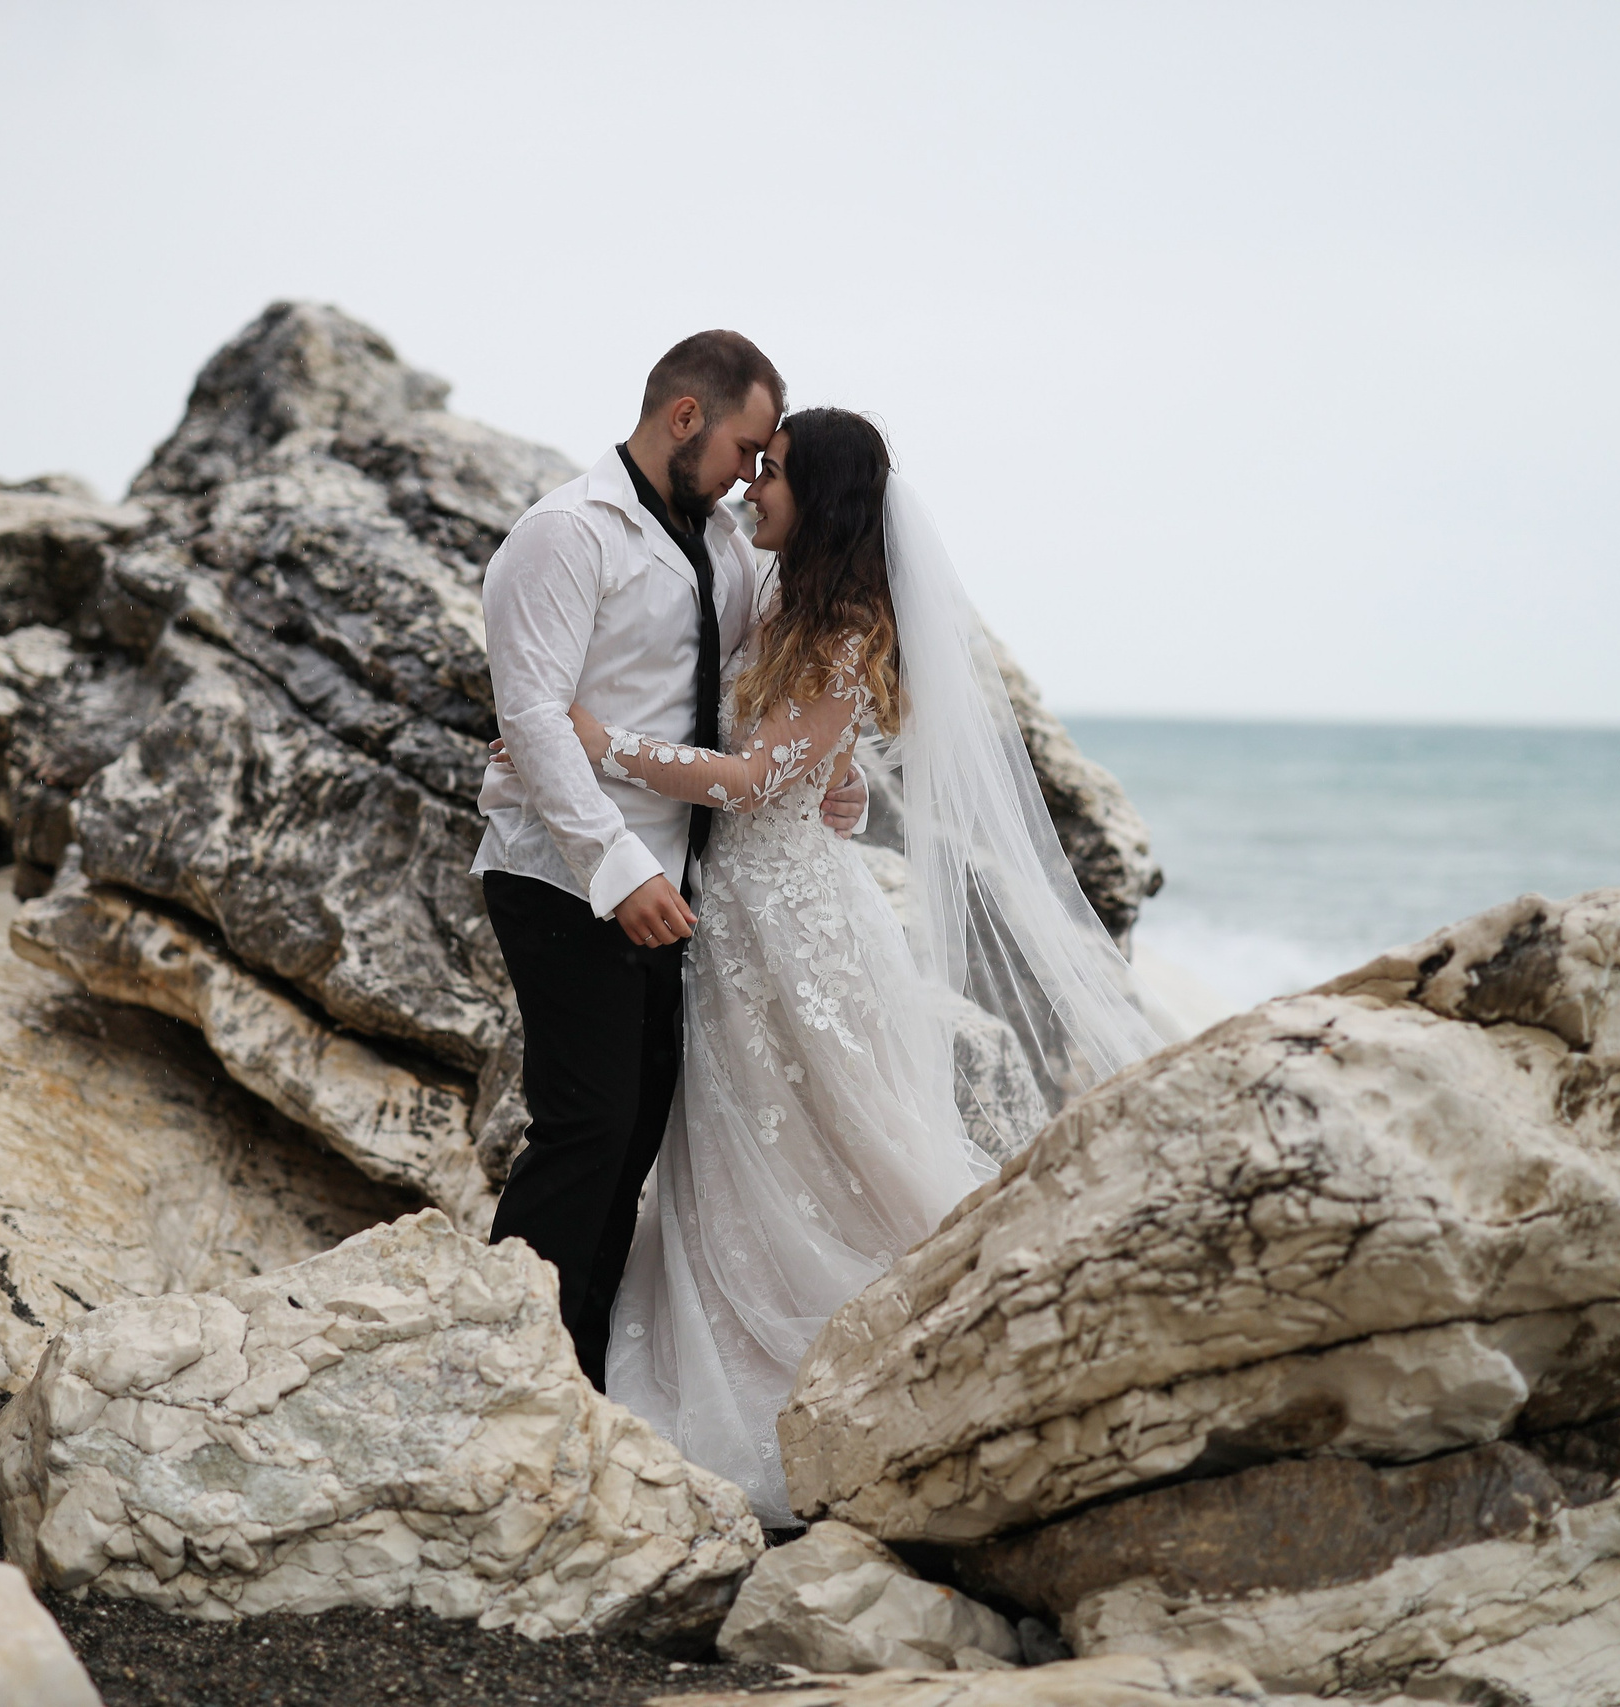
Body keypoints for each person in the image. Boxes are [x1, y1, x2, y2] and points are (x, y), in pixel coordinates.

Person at [514, 407, 1177, 1524]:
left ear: (817, 499)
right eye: (750, 465)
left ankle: (904, 1366)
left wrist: (601, 744)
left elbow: (745, 778)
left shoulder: (842, 628)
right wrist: (843, 782)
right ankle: (704, 1347)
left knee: (846, 1148)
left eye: (767, 475)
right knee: (733, 1151)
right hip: (730, 918)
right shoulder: (774, 602)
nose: (746, 490)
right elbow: (818, 769)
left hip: (794, 929)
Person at [474, 332, 869, 1393]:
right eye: (746, 448)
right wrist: (617, 868)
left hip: (683, 887)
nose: (751, 475)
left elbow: (765, 712)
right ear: (686, 418)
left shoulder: (726, 553)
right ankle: (500, 1367)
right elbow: (536, 715)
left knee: (637, 1137)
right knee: (585, 1125)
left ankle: (583, 1375)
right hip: (565, 872)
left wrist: (835, 774)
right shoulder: (565, 534)